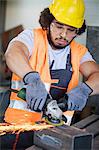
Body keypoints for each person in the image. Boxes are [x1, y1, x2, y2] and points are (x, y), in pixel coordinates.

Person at [4, 0, 99, 125]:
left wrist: (85, 89)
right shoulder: (32, 37)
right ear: (48, 22)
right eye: (59, 26)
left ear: (78, 31)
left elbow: (96, 74)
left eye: (71, 30)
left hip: (58, 130)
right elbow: (12, 54)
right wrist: (32, 78)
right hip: (19, 126)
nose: (64, 35)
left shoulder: (79, 52)